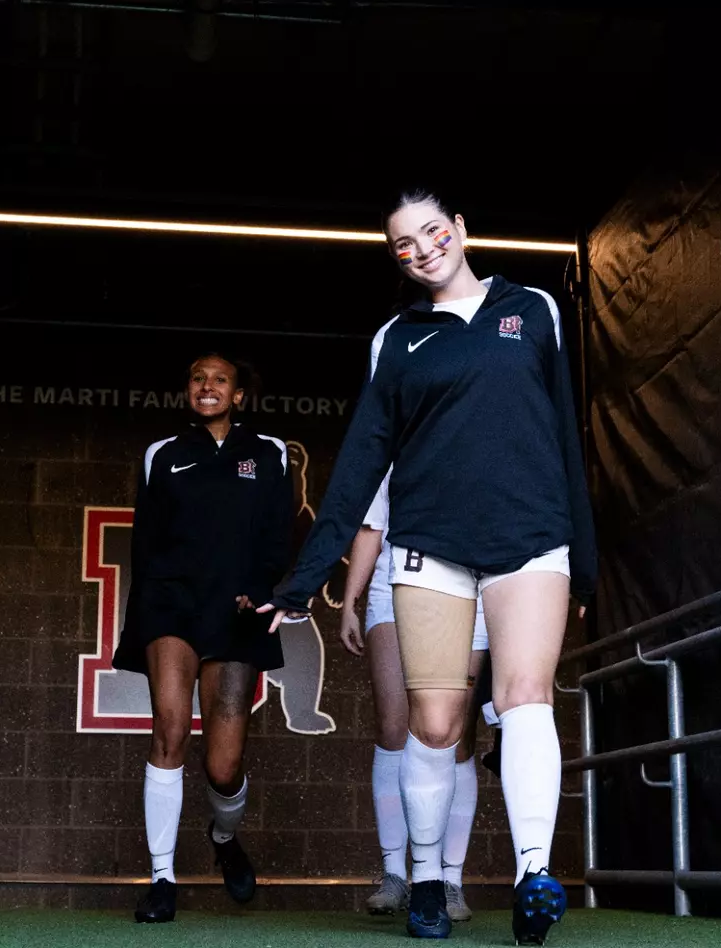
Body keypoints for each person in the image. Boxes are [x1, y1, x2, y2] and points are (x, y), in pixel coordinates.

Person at [260, 192, 596, 944]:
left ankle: (532, 875)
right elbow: (359, 463)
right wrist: (305, 577)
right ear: (398, 260)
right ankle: (426, 880)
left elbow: (566, 437)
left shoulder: (533, 308)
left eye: (433, 232)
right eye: (404, 245)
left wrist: (588, 562)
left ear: (463, 229)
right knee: (436, 724)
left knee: (524, 695)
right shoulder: (396, 339)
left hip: (530, 538)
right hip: (430, 549)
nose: (423, 249)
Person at [112, 354, 294, 924]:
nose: (206, 386)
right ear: (186, 391)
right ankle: (162, 878)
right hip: (170, 606)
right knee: (169, 729)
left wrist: (259, 589)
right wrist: (142, 614)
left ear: (240, 394)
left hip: (236, 612)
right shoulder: (161, 454)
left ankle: (223, 835)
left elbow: (277, 533)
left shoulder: (270, 452)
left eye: (220, 379)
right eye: (197, 378)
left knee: (222, 766)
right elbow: (144, 544)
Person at [339, 469, 492, 921]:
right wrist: (350, 600)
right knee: (393, 728)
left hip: (475, 585)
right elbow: (372, 527)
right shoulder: (398, 446)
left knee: (453, 734)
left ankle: (450, 879)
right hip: (396, 582)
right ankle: (395, 874)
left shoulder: (489, 435)